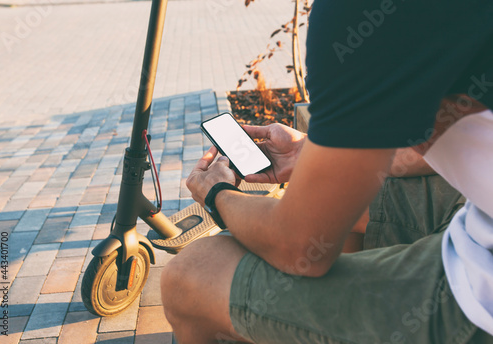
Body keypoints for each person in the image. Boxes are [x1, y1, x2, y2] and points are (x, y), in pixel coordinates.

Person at [160, 0, 493, 342]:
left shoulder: (351, 15)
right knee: (344, 203)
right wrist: (312, 153)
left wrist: (217, 194)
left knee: (190, 275)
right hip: (473, 202)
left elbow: (296, 244)